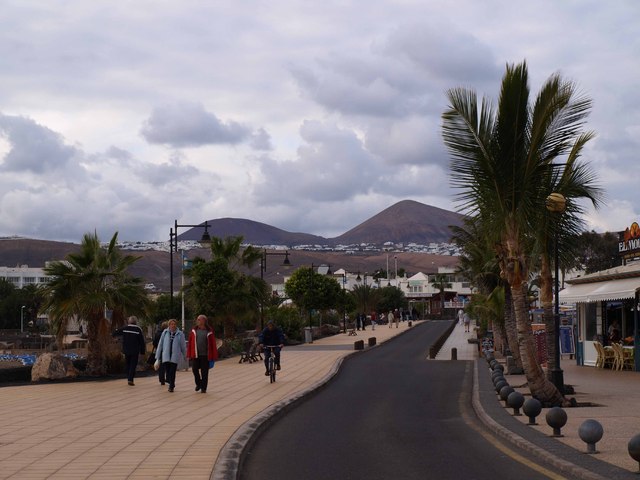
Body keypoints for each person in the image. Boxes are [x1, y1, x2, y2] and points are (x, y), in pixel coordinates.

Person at [187, 314, 219, 393]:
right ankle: (198, 383)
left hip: (205, 355)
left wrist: (214, 356)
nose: (197, 321)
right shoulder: (194, 330)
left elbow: (213, 344)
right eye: (197, 319)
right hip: (196, 355)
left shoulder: (209, 331)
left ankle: (203, 388)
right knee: (194, 370)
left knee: (204, 372)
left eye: (199, 319)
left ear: (204, 321)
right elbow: (190, 343)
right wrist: (189, 354)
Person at [112, 315, 146, 386]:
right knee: (133, 365)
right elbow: (141, 342)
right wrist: (142, 351)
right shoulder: (138, 330)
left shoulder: (125, 328)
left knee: (128, 364)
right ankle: (130, 379)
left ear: (129, 321)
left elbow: (116, 332)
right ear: (135, 322)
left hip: (126, 350)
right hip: (135, 350)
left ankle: (129, 377)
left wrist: (113, 333)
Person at [156, 319, 186, 392]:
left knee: (172, 371)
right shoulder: (165, 333)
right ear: (169, 325)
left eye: (174, 324)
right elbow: (160, 344)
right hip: (166, 355)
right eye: (171, 324)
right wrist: (157, 357)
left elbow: (183, 346)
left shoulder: (180, 334)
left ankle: (171, 386)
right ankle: (171, 382)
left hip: (174, 356)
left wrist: (185, 355)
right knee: (168, 371)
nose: (173, 325)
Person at [153, 321, 168, 385]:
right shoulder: (166, 334)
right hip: (165, 350)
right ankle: (167, 378)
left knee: (161, 365)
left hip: (159, 350)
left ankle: (161, 379)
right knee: (166, 365)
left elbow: (154, 342)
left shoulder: (157, 333)